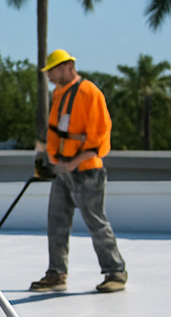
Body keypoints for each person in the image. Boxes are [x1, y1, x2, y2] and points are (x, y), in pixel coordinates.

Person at [30, 49, 128, 293]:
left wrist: (73, 162)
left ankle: (116, 272)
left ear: (67, 66)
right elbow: (57, 132)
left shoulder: (89, 92)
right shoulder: (58, 94)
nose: (50, 76)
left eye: (52, 71)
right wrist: (48, 159)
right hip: (62, 171)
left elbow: (99, 138)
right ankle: (56, 273)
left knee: (96, 222)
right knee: (57, 222)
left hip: (86, 172)